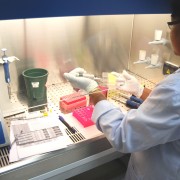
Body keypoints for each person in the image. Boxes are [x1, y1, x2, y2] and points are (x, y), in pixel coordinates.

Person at [64, 1, 180, 179]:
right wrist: (140, 90)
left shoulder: (175, 89)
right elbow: (171, 109)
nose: (171, 31)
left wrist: (92, 89)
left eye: (172, 24)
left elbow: (121, 136)